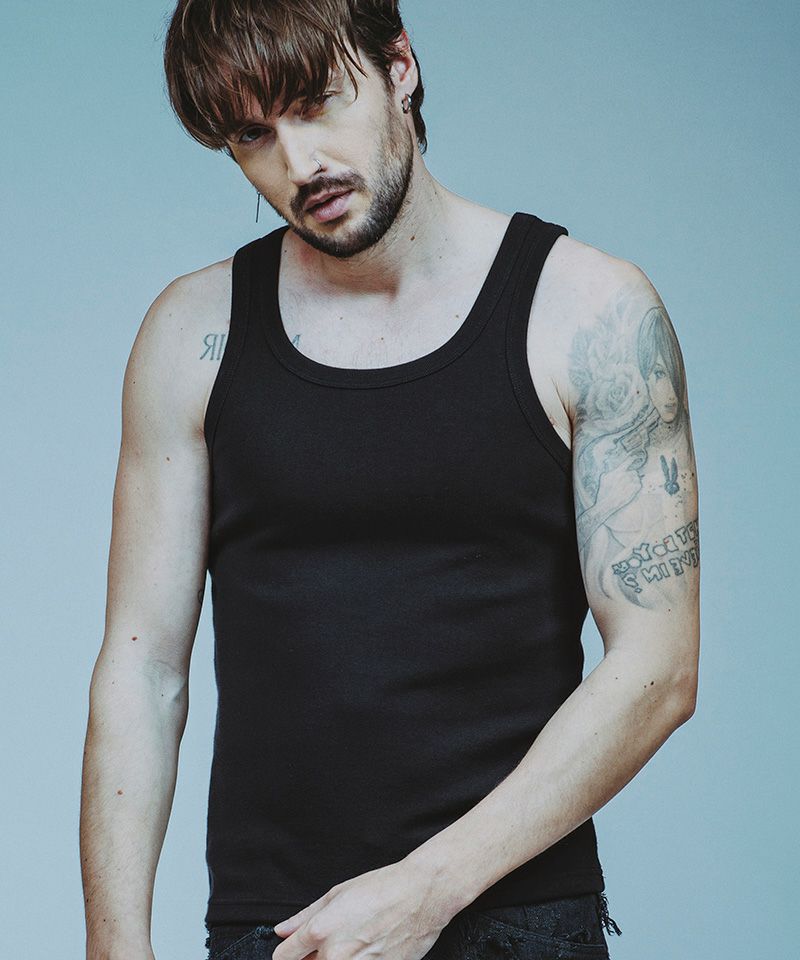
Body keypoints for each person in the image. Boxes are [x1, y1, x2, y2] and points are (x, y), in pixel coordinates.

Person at [79, 2, 700, 959]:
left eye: (316, 102)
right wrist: (114, 949)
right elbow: (143, 669)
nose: (299, 163)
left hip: (517, 921)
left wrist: (427, 890)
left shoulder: (591, 313)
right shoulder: (192, 334)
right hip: (275, 929)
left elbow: (658, 669)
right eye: (252, 135)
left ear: (399, 66)